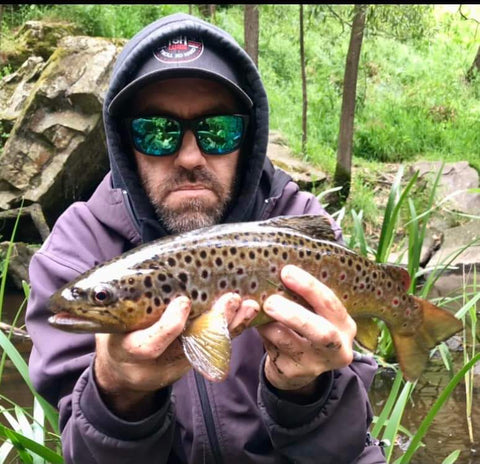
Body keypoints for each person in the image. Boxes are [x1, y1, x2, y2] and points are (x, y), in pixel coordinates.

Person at [25, 12, 386, 464]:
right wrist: (118, 393)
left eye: (218, 130)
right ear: (123, 144)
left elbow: (351, 449)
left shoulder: (304, 226)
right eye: (156, 132)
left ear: (248, 138)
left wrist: (309, 390)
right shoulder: (77, 250)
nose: (190, 155)